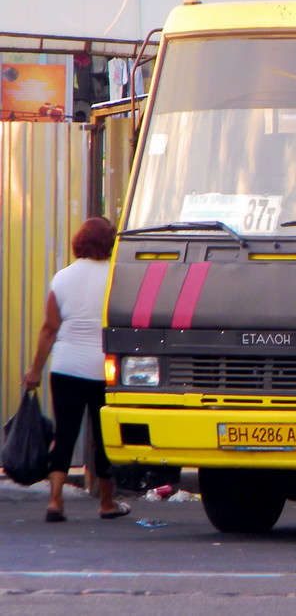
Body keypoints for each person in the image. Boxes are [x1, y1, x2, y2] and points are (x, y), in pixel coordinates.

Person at [22, 217, 130, 523]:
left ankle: (55, 501)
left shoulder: (62, 278)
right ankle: (107, 502)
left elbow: (49, 329)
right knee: (104, 436)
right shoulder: (117, 277)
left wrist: (34, 371)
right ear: (110, 242)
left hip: (66, 366)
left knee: (65, 433)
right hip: (104, 369)